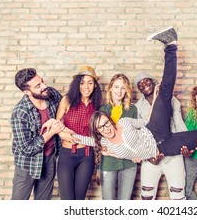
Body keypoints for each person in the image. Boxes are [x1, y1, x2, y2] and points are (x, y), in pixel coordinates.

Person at [75, 26, 197, 162]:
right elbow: (82, 139)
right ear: (97, 131)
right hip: (164, 148)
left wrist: (157, 99)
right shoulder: (104, 142)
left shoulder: (123, 123)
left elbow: (145, 121)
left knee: (164, 91)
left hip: (154, 131)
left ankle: (170, 45)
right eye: (101, 128)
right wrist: (59, 129)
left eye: (106, 123)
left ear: (110, 121)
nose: (105, 128)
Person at [11, 68, 64, 200]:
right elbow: (27, 148)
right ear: (27, 92)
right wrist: (51, 132)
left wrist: (54, 121)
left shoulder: (51, 94)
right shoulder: (20, 113)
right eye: (38, 86)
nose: (44, 86)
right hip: (27, 164)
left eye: (42, 81)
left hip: (49, 158)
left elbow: (66, 111)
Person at [134, 71, 187, 200]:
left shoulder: (170, 99)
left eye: (146, 80)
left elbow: (178, 121)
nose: (144, 85)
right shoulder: (138, 107)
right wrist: (148, 155)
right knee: (146, 197)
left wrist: (186, 144)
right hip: (151, 157)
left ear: (153, 81)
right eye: (140, 84)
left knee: (178, 195)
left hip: (173, 155)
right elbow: (140, 133)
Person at [55, 65, 102, 200]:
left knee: (79, 199)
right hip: (67, 155)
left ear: (95, 86)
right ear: (77, 84)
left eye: (90, 82)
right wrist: (61, 133)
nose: (86, 86)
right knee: (67, 200)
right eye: (82, 83)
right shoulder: (67, 100)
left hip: (87, 156)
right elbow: (57, 124)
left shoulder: (97, 104)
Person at [99, 74, 138, 200]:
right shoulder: (102, 110)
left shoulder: (132, 110)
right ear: (110, 88)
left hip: (128, 164)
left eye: (123, 88)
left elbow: (137, 135)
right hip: (108, 163)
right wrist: (101, 150)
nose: (119, 91)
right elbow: (96, 137)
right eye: (116, 87)